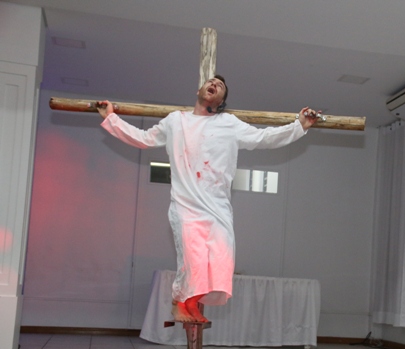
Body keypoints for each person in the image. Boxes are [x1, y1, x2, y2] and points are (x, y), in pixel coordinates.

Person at [96, 75, 320, 323]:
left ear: (221, 101)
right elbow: (144, 138)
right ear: (199, 91)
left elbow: (263, 137)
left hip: (217, 207)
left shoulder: (229, 123)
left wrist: (299, 126)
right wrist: (111, 118)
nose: (214, 85)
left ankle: (193, 302)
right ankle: (180, 302)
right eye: (211, 82)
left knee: (221, 260)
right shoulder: (176, 121)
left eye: (220, 86)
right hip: (186, 205)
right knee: (193, 259)